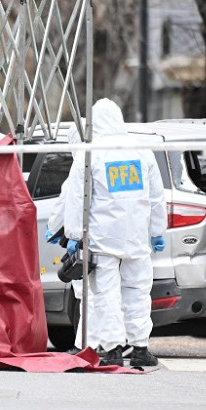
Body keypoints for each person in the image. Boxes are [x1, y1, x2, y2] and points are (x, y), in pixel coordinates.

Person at [62, 99, 166, 367]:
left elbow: (76, 199)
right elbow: (156, 196)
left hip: (102, 239)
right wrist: (157, 231)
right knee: (139, 292)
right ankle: (141, 347)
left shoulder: (91, 152)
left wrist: (74, 235)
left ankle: (114, 349)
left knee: (105, 295)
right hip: (137, 238)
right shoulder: (142, 151)